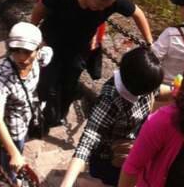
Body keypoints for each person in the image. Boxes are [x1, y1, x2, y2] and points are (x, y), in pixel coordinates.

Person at [31, 0, 152, 127]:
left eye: (106, 7)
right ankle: (42, 113)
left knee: (70, 81)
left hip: (79, 47)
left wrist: (149, 42)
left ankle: (58, 114)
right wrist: (33, 38)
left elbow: (137, 13)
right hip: (51, 42)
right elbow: (39, 11)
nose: (102, 9)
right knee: (47, 81)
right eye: (100, 5)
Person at [59, 48, 163, 187]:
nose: (151, 93)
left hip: (132, 152)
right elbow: (88, 140)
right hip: (110, 160)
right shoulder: (110, 101)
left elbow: (159, 91)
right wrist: (67, 183)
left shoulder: (139, 81)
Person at [0, 22, 53, 182]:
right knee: (12, 161)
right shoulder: (4, 73)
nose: (21, 57)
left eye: (27, 51)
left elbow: (48, 51)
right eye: (15, 51)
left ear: (37, 49)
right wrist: (14, 154)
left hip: (29, 113)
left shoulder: (41, 56)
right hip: (13, 125)